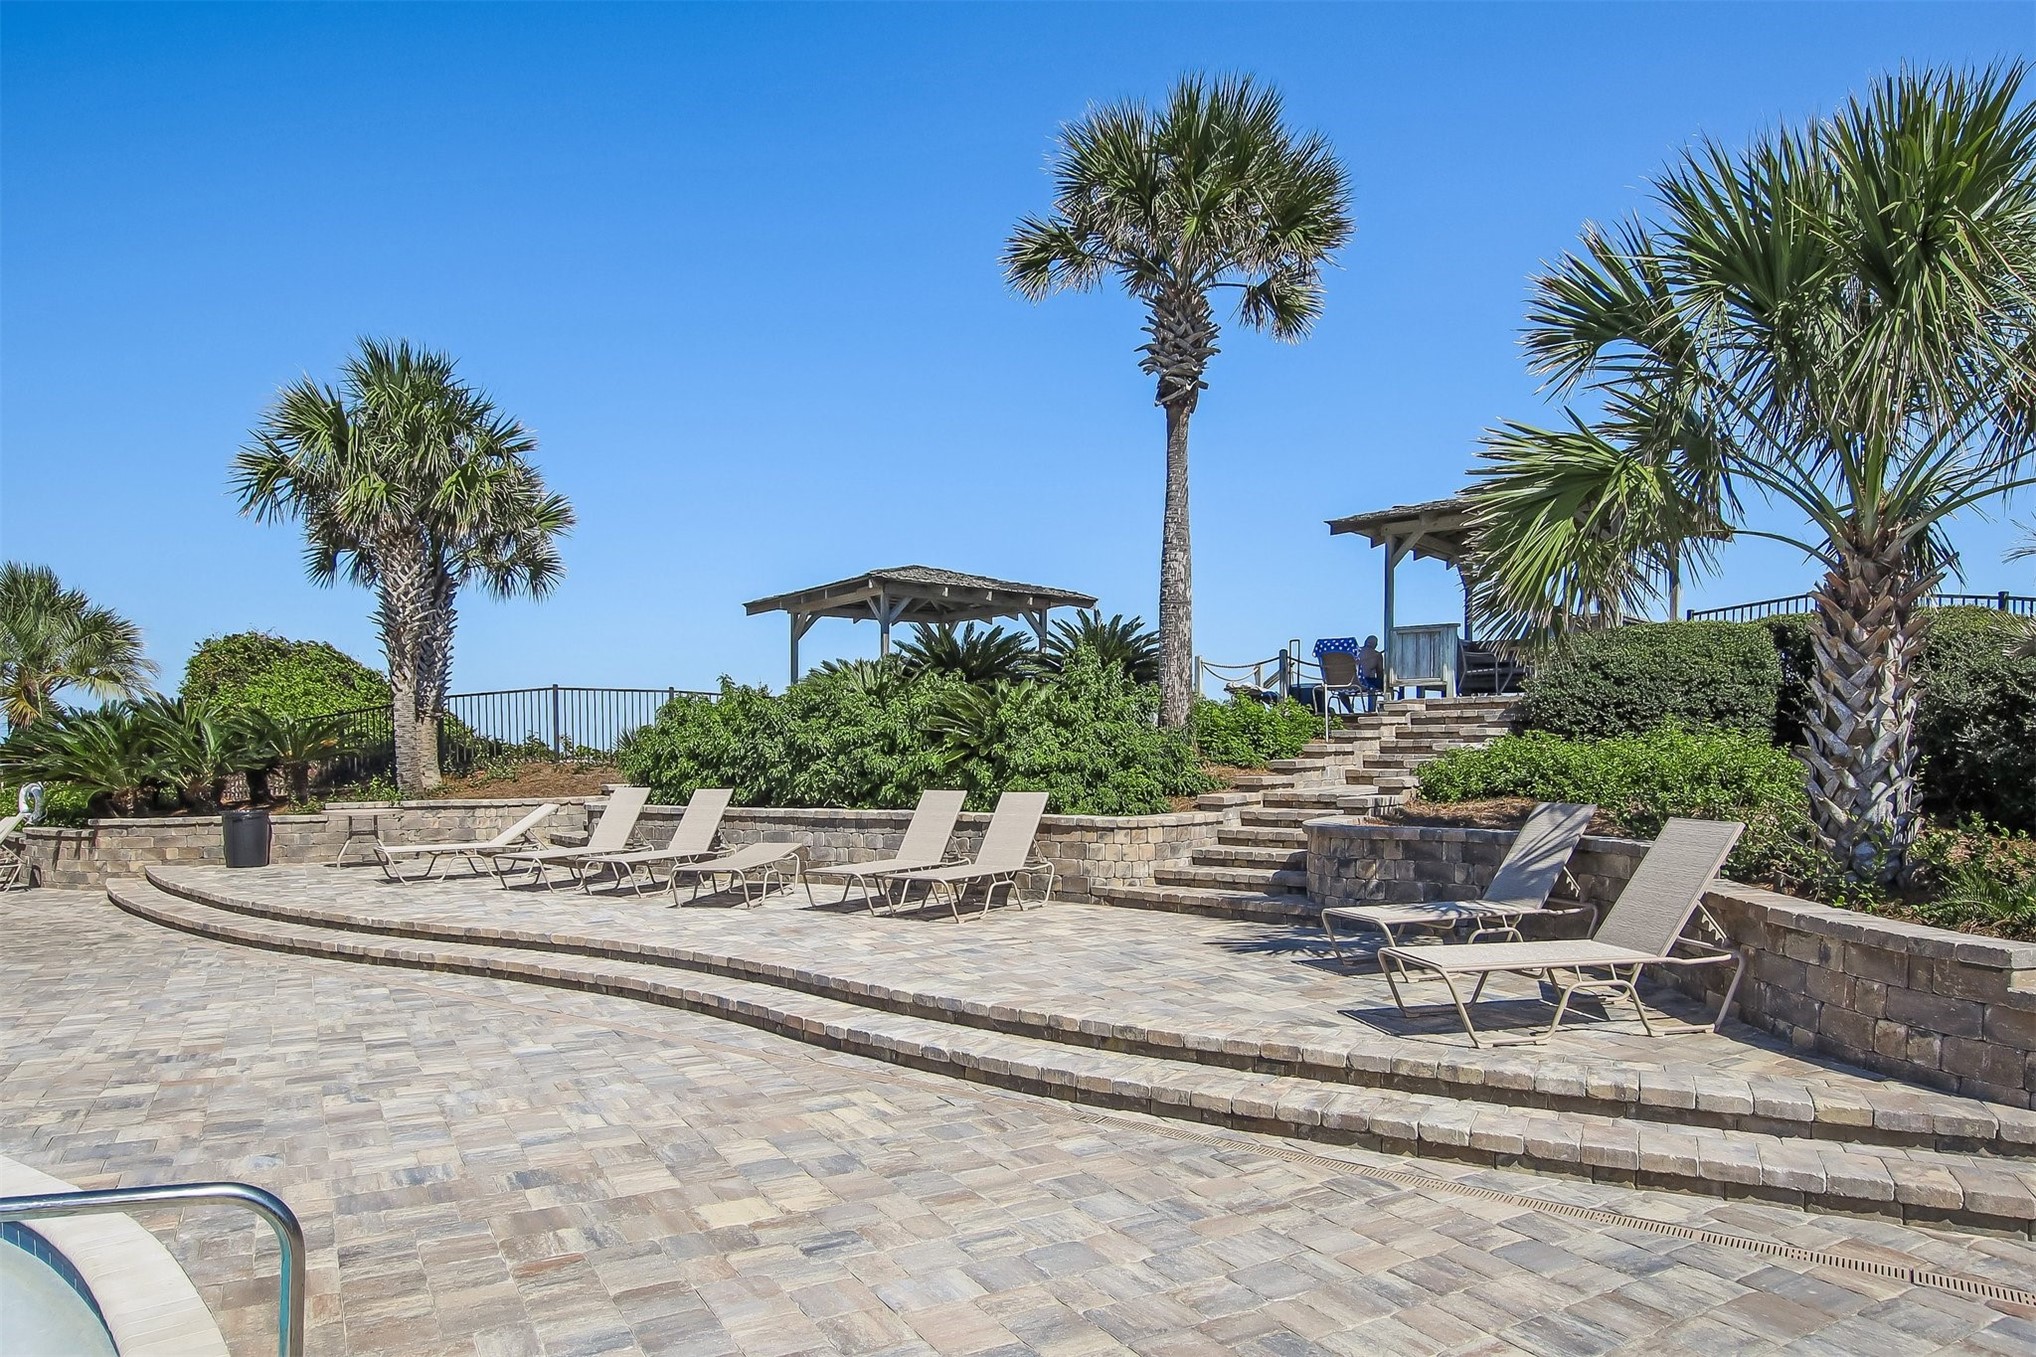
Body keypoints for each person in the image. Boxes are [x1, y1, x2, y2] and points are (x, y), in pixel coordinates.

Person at [1356, 635, 1385, 710]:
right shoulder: (1377, 655)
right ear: (1375, 645)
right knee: (1383, 685)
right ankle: (1371, 710)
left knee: (1341, 691)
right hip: (1367, 683)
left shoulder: (1355, 652)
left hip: (1351, 682)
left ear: (1365, 642)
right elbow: (1380, 673)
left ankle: (1350, 710)